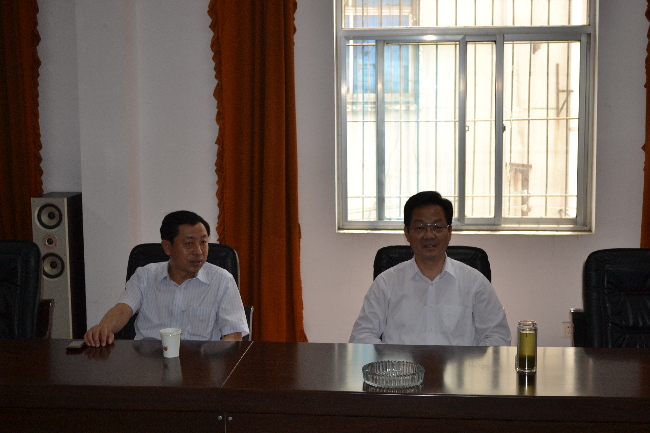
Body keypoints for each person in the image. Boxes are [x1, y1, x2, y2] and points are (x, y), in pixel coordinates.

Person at [349, 191, 511, 346]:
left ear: (449, 231)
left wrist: (468, 362)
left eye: (437, 227)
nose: (429, 235)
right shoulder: (386, 283)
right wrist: (392, 359)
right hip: (400, 366)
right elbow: (361, 336)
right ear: (407, 233)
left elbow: (498, 337)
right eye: (420, 228)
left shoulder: (475, 282)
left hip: (459, 366)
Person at [84, 210, 249, 347]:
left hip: (199, 365)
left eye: (203, 242)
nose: (198, 251)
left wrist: (213, 361)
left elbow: (234, 335)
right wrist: (103, 329)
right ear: (167, 247)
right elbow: (122, 310)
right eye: (189, 243)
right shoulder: (145, 276)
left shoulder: (222, 280)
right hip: (148, 364)